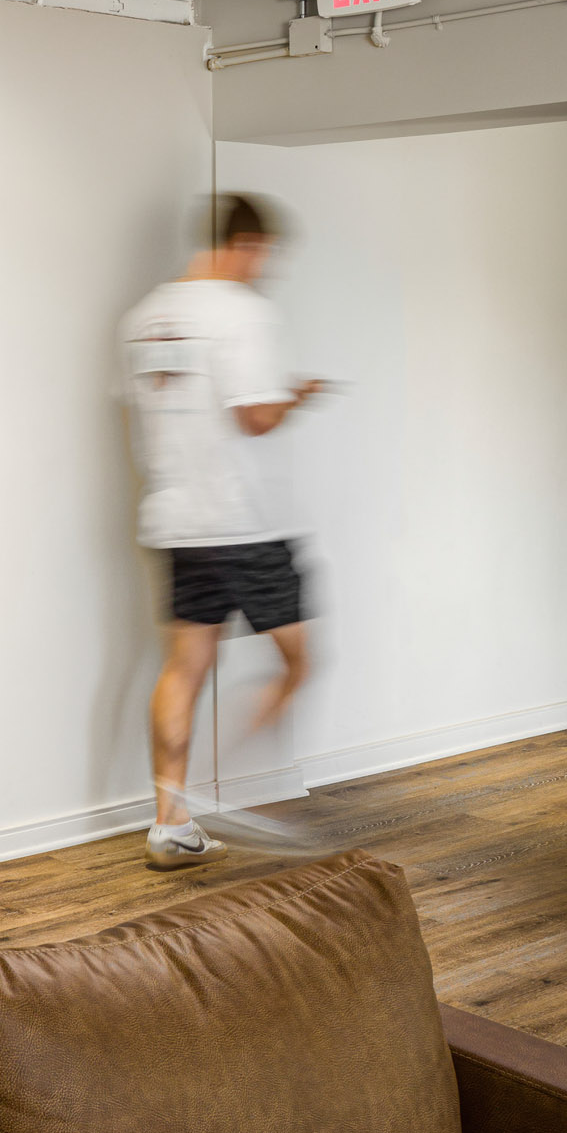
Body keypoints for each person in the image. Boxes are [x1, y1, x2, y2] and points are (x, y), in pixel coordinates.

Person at [119, 194, 324, 871]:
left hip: (178, 520)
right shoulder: (246, 312)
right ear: (248, 245)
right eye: (264, 255)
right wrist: (297, 395)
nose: (264, 268)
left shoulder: (145, 316)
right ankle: (249, 784)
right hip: (245, 520)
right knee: (299, 661)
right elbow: (255, 417)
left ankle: (169, 821)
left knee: (185, 666)